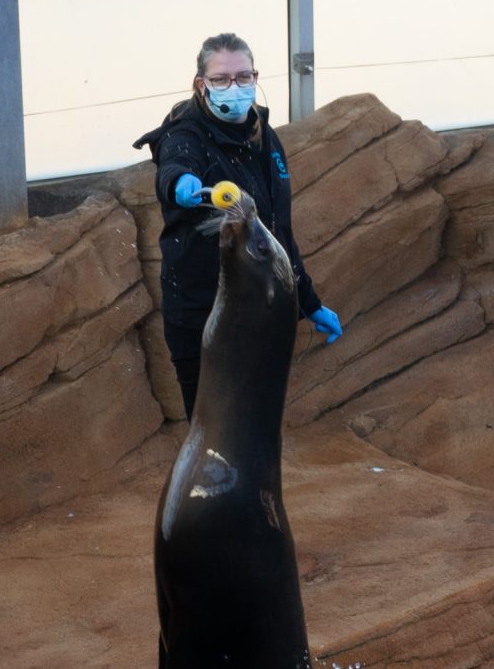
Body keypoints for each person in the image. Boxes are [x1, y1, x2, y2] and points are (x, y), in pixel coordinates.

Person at [135, 33, 342, 418]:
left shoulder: (264, 137)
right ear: (202, 84)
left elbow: (278, 233)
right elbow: (175, 162)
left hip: (256, 311)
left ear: (255, 76)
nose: (235, 86)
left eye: (244, 77)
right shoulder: (185, 133)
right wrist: (181, 185)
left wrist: (307, 302)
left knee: (253, 423)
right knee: (213, 428)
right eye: (221, 79)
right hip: (203, 316)